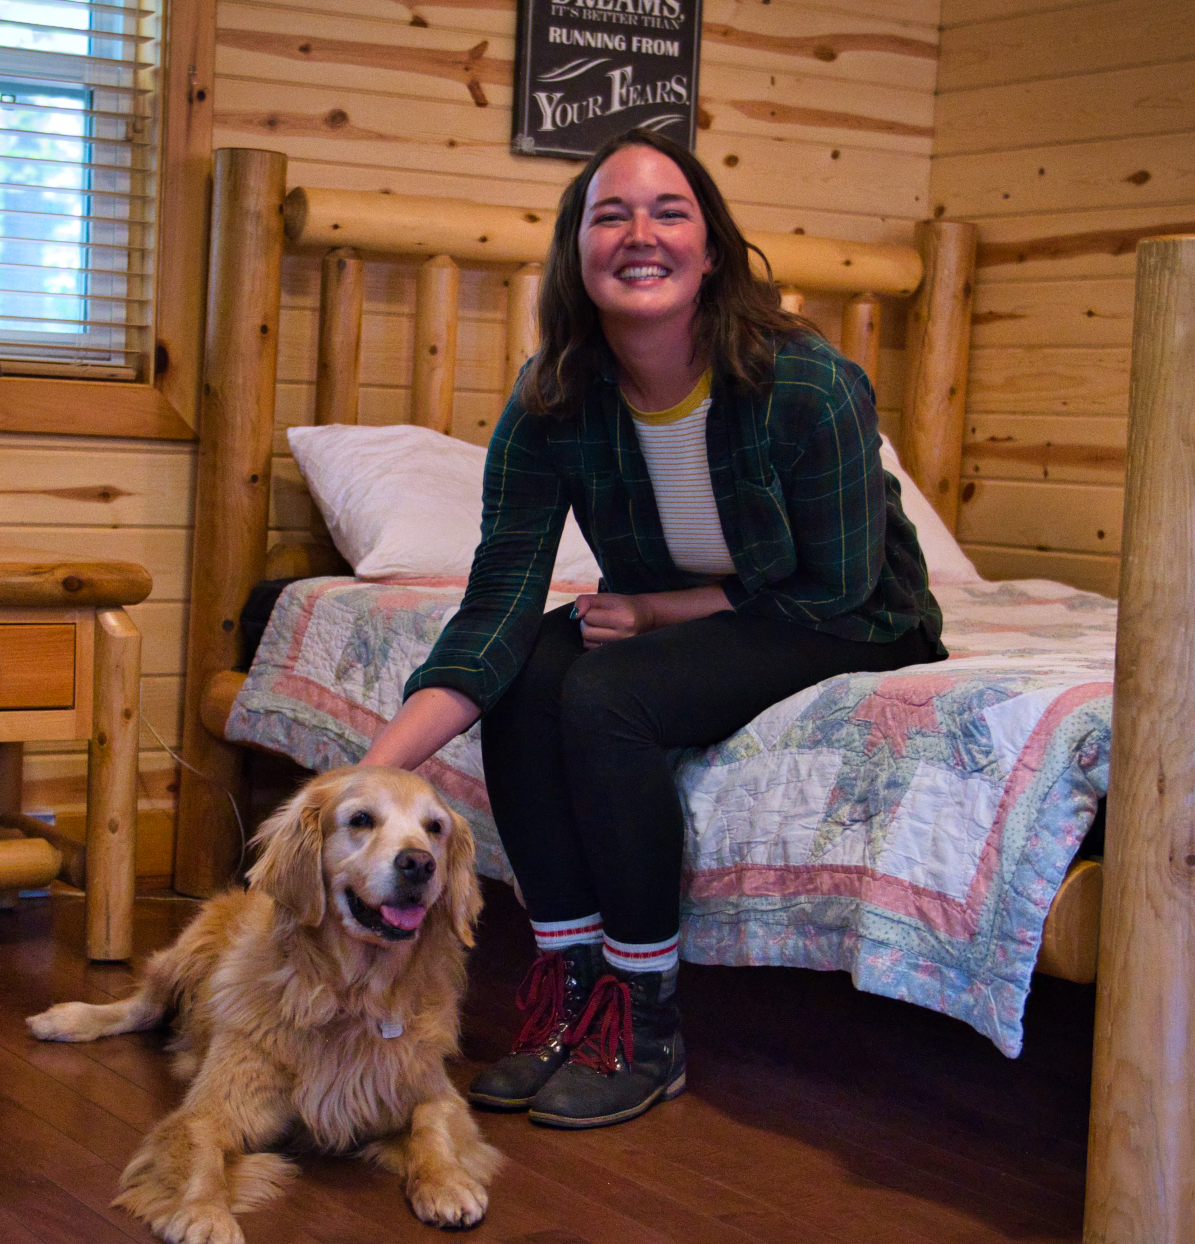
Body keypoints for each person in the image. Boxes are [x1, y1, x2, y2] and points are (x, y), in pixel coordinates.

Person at [359, 127, 945, 1130]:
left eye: (668, 211)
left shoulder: (803, 384)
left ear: (710, 247)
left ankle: (644, 1018)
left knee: (605, 692)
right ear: (576, 254)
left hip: (848, 617)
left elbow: (838, 583)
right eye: (609, 214)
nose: (640, 234)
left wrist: (664, 610)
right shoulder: (553, 399)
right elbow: (498, 600)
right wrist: (369, 780)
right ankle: (568, 987)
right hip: (708, 615)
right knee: (533, 670)